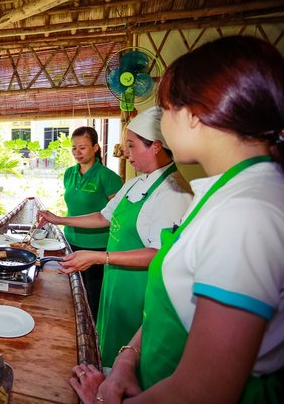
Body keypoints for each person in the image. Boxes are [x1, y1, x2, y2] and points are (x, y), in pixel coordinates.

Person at [70, 36, 284, 404]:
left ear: (193, 115)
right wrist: (126, 361)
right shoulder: (222, 194)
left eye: (166, 109)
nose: (164, 122)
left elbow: (205, 390)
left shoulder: (247, 214)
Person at [38, 107, 192, 368]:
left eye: (131, 146)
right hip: (116, 281)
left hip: (140, 290)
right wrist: (59, 219)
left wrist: (100, 256)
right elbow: (103, 217)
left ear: (155, 146)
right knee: (107, 342)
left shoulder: (173, 192)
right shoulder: (135, 183)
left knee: (132, 356)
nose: (125, 153)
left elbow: (159, 254)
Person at [55, 127, 123, 318]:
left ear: (95, 147)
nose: (77, 152)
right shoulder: (69, 174)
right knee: (71, 293)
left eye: (83, 148)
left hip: (97, 248)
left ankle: (93, 341)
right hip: (70, 242)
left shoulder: (108, 177)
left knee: (92, 298)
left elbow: (115, 216)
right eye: (74, 148)